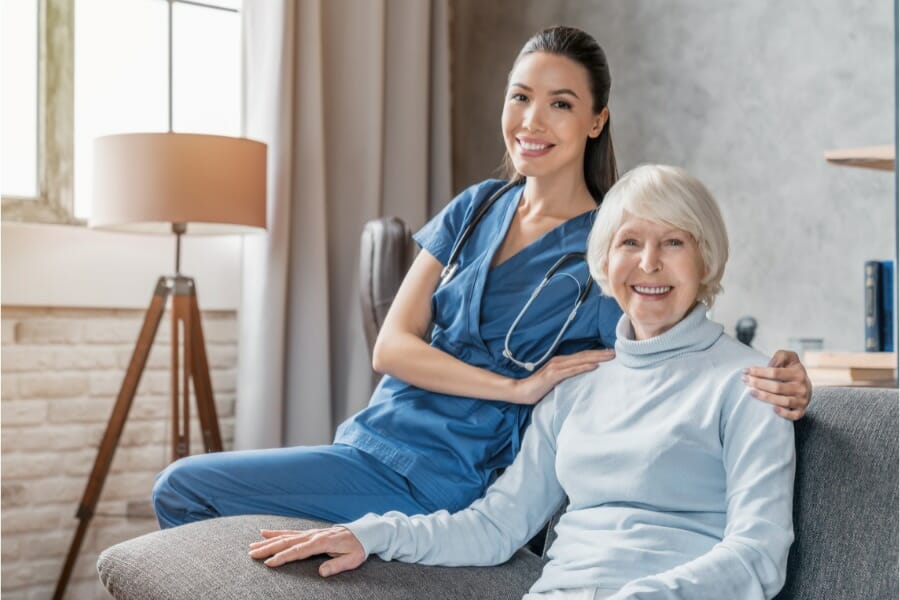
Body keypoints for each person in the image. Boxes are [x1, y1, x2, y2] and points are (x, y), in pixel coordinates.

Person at [153, 26, 809, 530]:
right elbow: (392, 346)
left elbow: (671, 349)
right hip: (372, 444)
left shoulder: (610, 244)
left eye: (560, 103)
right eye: (521, 97)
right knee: (189, 494)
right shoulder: (475, 208)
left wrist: (777, 379)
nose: (532, 121)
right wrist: (515, 388)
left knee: (182, 488)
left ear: (596, 121)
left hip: (450, 476)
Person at [249, 164, 796, 600]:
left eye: (674, 242)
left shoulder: (751, 385)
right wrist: (370, 533)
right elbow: (495, 526)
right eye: (630, 242)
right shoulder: (578, 388)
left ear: (706, 258)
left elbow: (758, 554)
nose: (649, 263)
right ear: (605, 260)